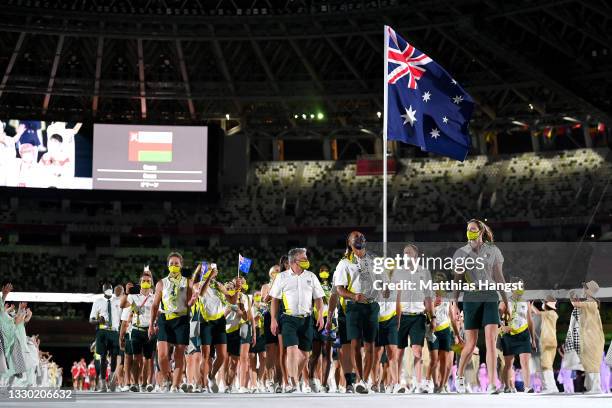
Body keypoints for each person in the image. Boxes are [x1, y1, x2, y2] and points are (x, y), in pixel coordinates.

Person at [453, 219, 508, 394]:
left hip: (490, 296)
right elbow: (457, 280)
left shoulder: (493, 251)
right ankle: (459, 375)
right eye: (468, 229)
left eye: (473, 229)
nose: (470, 232)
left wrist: (506, 300)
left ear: (481, 231)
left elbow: (499, 277)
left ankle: (492, 383)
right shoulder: (461, 253)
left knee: (491, 341)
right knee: (471, 343)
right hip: (470, 298)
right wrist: (455, 303)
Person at [270, 248, 325, 393]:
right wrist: (273, 320)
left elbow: (319, 298)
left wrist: (320, 315)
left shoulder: (311, 276)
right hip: (289, 319)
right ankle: (292, 382)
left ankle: (296, 377)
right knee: (292, 350)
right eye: (304, 258)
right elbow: (274, 300)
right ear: (294, 261)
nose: (307, 260)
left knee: (305, 355)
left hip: (307, 319)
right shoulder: (281, 277)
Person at [333, 232, 379, 394]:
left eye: (361, 236)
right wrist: (354, 296)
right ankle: (359, 378)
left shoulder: (374, 260)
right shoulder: (344, 263)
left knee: (370, 346)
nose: (359, 237)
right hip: (353, 306)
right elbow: (339, 289)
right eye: (355, 236)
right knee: (355, 344)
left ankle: (364, 380)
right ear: (350, 243)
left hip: (372, 306)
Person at [149, 252, 193, 392]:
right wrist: (151, 324)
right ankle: (167, 377)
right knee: (162, 355)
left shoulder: (187, 282)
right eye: (171, 264)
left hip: (182, 319)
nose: (174, 266)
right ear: (168, 266)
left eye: (176, 263)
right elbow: (155, 305)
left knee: (179, 354)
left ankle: (175, 385)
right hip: (165, 319)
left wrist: (194, 299)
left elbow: (190, 303)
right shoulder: (161, 283)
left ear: (181, 265)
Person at [395, 244, 434, 393]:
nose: (406, 255)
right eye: (404, 253)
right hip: (402, 316)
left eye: (409, 253)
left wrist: (433, 317)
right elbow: (395, 296)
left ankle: (420, 383)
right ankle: (398, 383)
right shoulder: (399, 272)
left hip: (418, 316)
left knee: (418, 350)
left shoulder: (424, 272)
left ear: (416, 255)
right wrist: (396, 318)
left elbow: (429, 296)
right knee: (399, 352)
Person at [194, 262, 229, 393]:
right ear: (201, 272)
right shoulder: (197, 285)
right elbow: (201, 293)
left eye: (211, 269)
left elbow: (231, 300)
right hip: (205, 322)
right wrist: (209, 278)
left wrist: (234, 289)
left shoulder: (219, 285)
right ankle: (202, 384)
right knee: (206, 355)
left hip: (220, 321)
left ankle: (211, 376)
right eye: (207, 270)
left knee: (222, 356)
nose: (210, 271)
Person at [120, 273, 156, 392]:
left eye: (148, 281)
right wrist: (126, 292)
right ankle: (135, 383)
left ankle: (144, 384)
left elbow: (159, 313)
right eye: (144, 281)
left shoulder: (155, 297)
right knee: (136, 358)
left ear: (151, 283)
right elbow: (122, 305)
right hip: (136, 329)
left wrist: (156, 326)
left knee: (147, 359)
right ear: (140, 283)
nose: (146, 282)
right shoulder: (133, 297)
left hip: (149, 331)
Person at [499, 281, 535, 393]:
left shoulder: (526, 301)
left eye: (522, 286)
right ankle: (506, 386)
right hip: (509, 334)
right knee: (508, 363)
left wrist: (533, 340)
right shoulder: (505, 300)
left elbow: (530, 321)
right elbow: (498, 313)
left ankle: (528, 386)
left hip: (523, 333)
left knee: (525, 362)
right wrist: (502, 325)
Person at [571, 280, 605, 393]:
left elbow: (575, 304)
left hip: (593, 337)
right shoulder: (589, 303)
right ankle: (592, 387)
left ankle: (596, 387)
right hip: (589, 337)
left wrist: (571, 295)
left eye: (585, 288)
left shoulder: (592, 303)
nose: (583, 290)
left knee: (592, 362)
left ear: (590, 291)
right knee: (588, 362)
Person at [89, 282, 122, 392]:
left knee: (114, 356)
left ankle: (112, 381)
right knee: (103, 357)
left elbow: (123, 317)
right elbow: (91, 319)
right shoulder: (98, 301)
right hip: (102, 330)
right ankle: (103, 384)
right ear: (103, 290)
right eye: (106, 288)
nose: (109, 289)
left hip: (114, 331)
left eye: (110, 288)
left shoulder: (117, 300)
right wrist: (98, 320)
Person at [425, 289, 453, 393]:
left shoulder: (447, 298)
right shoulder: (428, 296)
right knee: (434, 359)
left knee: (444, 360)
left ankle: (441, 385)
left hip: (445, 330)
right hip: (432, 330)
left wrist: (457, 334)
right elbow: (423, 311)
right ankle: (435, 383)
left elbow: (451, 316)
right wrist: (432, 307)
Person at [533, 295, 559, 393]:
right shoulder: (553, 314)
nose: (542, 305)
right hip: (552, 341)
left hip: (546, 341)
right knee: (548, 365)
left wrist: (530, 305)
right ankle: (552, 387)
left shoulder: (549, 313)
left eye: (544, 303)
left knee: (545, 365)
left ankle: (549, 387)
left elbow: (537, 312)